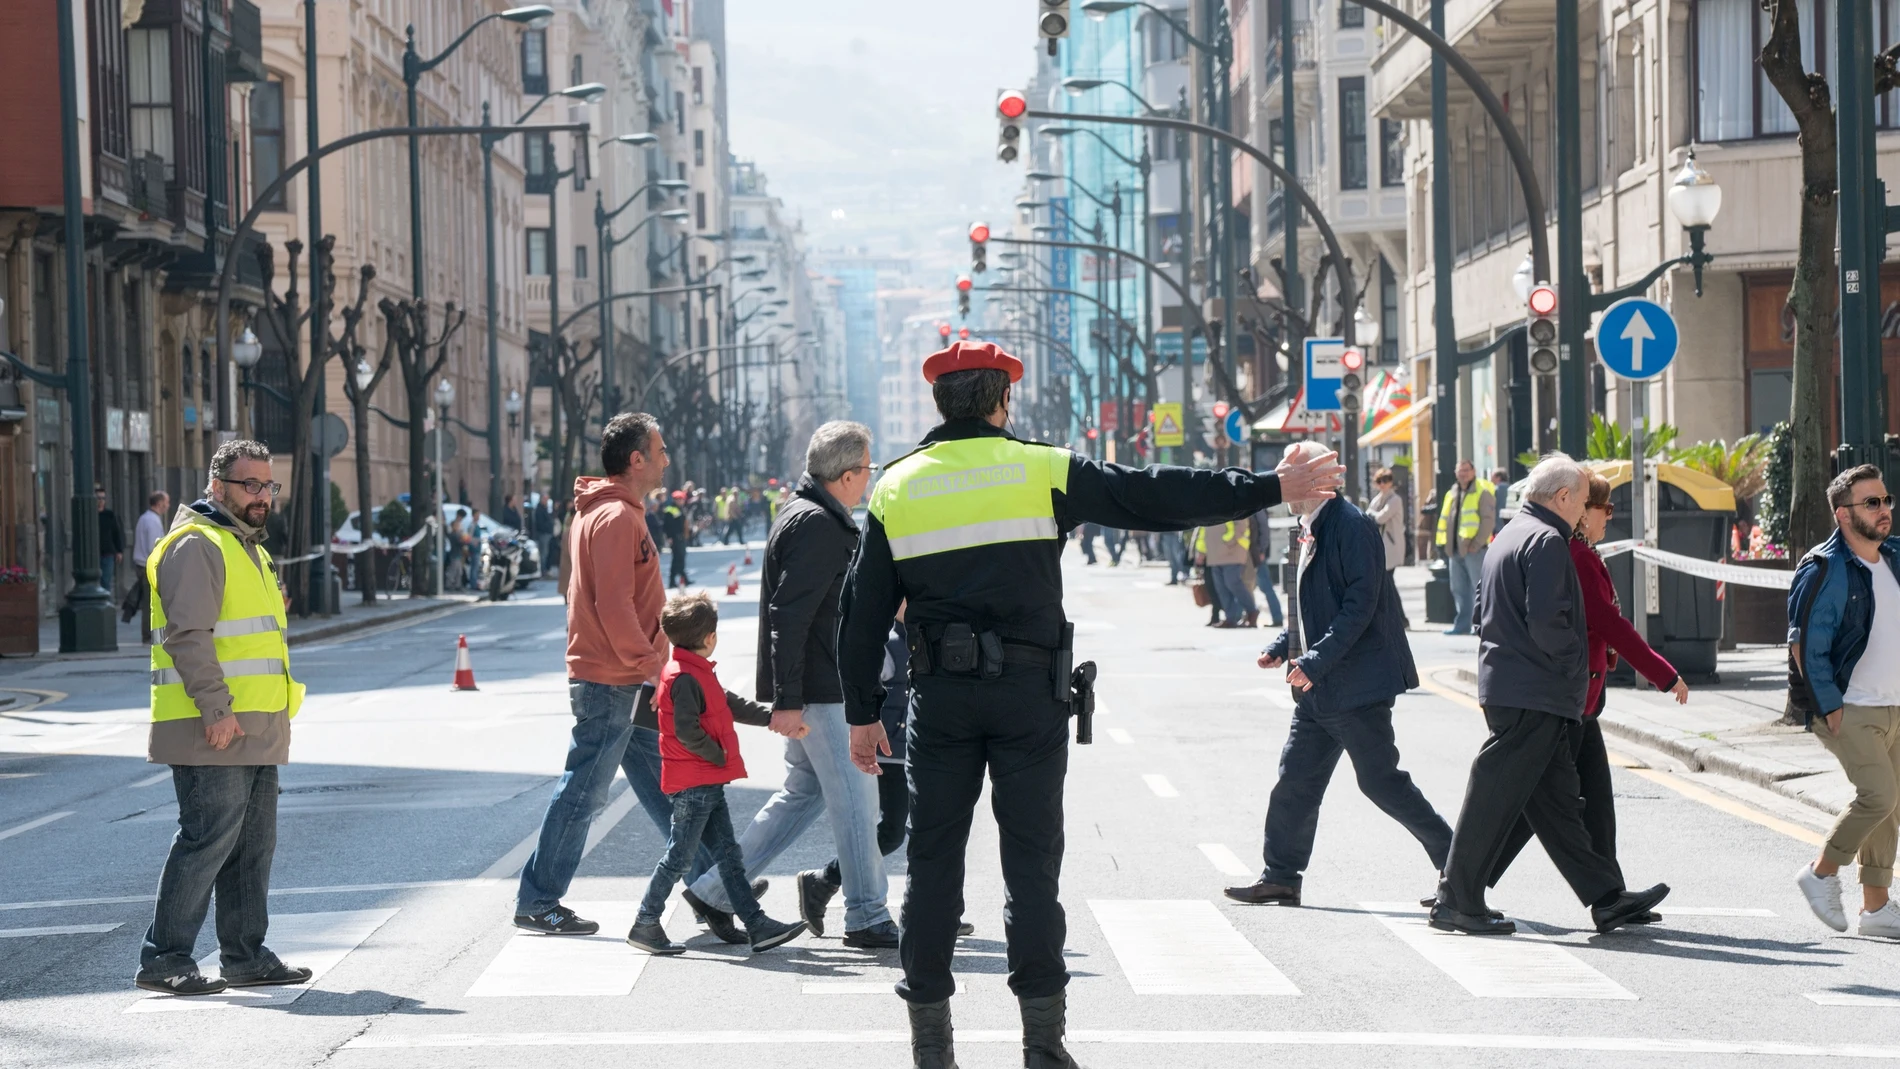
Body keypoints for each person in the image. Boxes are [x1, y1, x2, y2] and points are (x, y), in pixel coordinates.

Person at [835, 340, 1344, 1069]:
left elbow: (862, 612)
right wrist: (1270, 485)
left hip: (941, 701)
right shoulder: (1042, 469)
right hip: (1029, 696)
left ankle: (931, 1050)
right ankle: (1043, 1046)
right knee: (1032, 870)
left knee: (934, 864)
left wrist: (862, 711)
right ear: (1001, 399)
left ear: (939, 403)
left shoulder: (895, 486)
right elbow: (1154, 494)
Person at [515, 414, 754, 936]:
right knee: (584, 791)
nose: (668, 459)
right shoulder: (615, 518)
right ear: (636, 459)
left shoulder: (615, 512)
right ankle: (538, 898)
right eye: (661, 450)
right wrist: (654, 666)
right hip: (616, 678)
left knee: (671, 786)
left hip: (627, 675)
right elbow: (613, 604)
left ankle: (711, 886)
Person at [1430, 454, 1670, 936]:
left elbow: (1481, 610)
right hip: (1535, 691)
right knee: (1494, 796)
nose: (1584, 512)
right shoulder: (1547, 541)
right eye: (1582, 501)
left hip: (1514, 685)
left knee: (1558, 805)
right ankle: (1456, 898)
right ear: (1561, 497)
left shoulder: (1510, 536)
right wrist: (1575, 667)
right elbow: (1549, 623)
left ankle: (1605, 898)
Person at [678, 421, 897, 949]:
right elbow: (790, 616)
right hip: (822, 688)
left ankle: (715, 891)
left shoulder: (807, 515)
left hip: (818, 682)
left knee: (803, 795)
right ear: (846, 475)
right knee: (857, 801)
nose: (869, 479)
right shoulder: (818, 526)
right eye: (867, 470)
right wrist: (788, 700)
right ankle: (866, 915)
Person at [1224, 442, 1450, 907]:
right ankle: (1281, 875)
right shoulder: (1304, 528)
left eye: (1289, 473)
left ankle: (1460, 868)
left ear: (1315, 480)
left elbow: (1359, 606)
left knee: (1382, 782)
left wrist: (1313, 661)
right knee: (1294, 782)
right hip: (1318, 688)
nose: (1282, 483)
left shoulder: (1352, 526)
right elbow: (1306, 607)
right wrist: (1283, 648)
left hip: (1354, 686)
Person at [137, 440, 310, 996]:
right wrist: (216, 709)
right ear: (217, 487)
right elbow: (188, 637)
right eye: (249, 485)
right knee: (207, 840)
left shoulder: (247, 547)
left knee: (252, 847)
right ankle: (165, 959)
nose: (261, 496)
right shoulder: (197, 545)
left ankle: (245, 955)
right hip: (210, 726)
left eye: (268, 486)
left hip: (256, 728)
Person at [1482, 470, 1685, 909]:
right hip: (1569, 696)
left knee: (1586, 801)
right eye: (1603, 508)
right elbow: (1605, 622)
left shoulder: (1581, 551)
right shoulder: (1569, 552)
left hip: (1581, 696)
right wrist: (1662, 672)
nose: (1609, 516)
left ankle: (1610, 894)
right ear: (1577, 508)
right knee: (1538, 803)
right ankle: (1461, 878)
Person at [627, 592, 808, 955]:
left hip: (704, 781)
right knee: (679, 856)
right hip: (694, 783)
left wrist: (771, 719)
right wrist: (718, 754)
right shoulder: (684, 677)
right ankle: (646, 921)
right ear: (710, 637)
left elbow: (728, 703)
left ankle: (756, 924)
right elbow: (687, 730)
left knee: (728, 855)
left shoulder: (695, 671)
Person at [1790, 463, 1900, 940]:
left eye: (1886, 500)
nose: (1883, 511)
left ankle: (1875, 910)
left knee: (1890, 807)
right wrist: (1828, 704)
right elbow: (1805, 645)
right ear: (1842, 514)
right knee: (1878, 795)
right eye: (1871, 503)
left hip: (1894, 704)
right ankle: (1820, 873)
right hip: (1850, 706)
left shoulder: (1893, 557)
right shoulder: (1825, 568)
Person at [1436, 459, 1494, 635]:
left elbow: (1487, 521)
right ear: (1455, 473)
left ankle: (1483, 625)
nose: (1463, 473)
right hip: (1454, 549)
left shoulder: (1482, 492)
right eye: (1460, 470)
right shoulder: (1452, 492)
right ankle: (1462, 625)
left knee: (1479, 588)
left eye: (1466, 470)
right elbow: (1446, 519)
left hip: (1474, 549)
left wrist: (1476, 545)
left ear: (1474, 471)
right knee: (1459, 589)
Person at [123, 490, 171, 643]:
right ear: (159, 503)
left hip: (142, 564)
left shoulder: (146, 518)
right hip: (147, 566)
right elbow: (154, 546)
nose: (168, 506)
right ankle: (148, 635)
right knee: (150, 603)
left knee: (147, 601)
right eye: (166, 502)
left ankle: (149, 634)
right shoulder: (152, 521)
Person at [1196, 519, 1256, 627]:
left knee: (1233, 583)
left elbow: (1241, 525)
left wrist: (1229, 542)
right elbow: (1203, 531)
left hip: (1232, 553)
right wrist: (1201, 550)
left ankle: (1252, 611)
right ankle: (1230, 618)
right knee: (1221, 588)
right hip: (1214, 554)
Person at [1367, 469, 1407, 628]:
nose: (1382, 484)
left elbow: (1381, 517)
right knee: (1386, 582)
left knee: (1388, 581)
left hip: (1391, 545)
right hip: (1381, 546)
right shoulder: (1377, 499)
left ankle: (1401, 618)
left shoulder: (1395, 499)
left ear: (1391, 481)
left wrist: (1371, 514)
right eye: (1379, 481)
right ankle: (1396, 617)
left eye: (1385, 480)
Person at [1248, 508, 1285, 628]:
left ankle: (1277, 617)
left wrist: (1262, 550)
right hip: (1252, 553)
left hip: (1257, 554)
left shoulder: (1257, 507)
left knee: (1266, 586)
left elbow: (1264, 529)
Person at [98, 485, 125, 597]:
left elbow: (116, 533)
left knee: (105, 582)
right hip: (92, 555)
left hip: (107, 553)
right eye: (98, 498)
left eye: (103, 498)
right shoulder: (89, 514)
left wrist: (119, 551)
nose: (101, 501)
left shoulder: (109, 515)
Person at [662, 489, 690, 586]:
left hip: (681, 537)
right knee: (678, 558)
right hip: (675, 537)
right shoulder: (670, 509)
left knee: (679, 558)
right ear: (674, 500)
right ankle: (681, 579)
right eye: (678, 499)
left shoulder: (681, 509)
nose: (680, 501)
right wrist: (669, 537)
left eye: (681, 499)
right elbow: (667, 525)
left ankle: (675, 581)